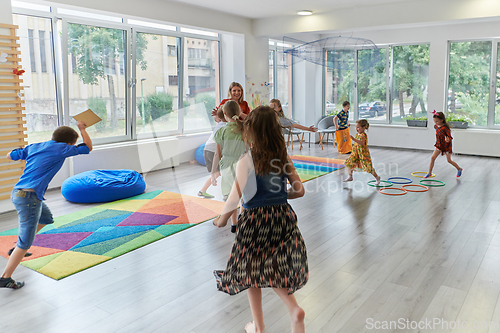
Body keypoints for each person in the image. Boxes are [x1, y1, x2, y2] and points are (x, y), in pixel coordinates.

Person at [213, 105, 308, 333]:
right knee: (274, 267)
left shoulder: (247, 159)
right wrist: (281, 196)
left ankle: (259, 326)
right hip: (282, 217)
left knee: (249, 270)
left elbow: (234, 197)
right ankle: (293, 308)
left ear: (251, 131)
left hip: (255, 220)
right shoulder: (283, 157)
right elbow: (299, 190)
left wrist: (222, 220)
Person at [0, 121, 92, 289]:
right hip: (29, 197)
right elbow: (87, 148)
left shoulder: (36, 146)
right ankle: (5, 277)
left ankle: (17, 249)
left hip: (19, 193)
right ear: (69, 143)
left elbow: (9, 155)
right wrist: (83, 129)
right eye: (72, 144)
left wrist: (21, 151)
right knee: (25, 242)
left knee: (46, 217)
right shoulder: (61, 149)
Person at [212, 100, 246, 233]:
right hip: (243, 164)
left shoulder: (221, 130)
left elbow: (217, 154)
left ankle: (234, 224)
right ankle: (243, 221)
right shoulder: (244, 128)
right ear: (239, 113)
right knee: (243, 195)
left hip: (226, 165)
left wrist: (213, 170)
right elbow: (249, 148)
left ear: (224, 114)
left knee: (231, 196)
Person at [198, 108, 227, 198]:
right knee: (221, 173)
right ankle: (226, 194)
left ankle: (202, 190)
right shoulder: (226, 126)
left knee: (218, 173)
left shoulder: (220, 124)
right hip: (213, 151)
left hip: (207, 149)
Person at [424, 111, 462, 178]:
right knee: (432, 158)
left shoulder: (445, 128)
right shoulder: (436, 126)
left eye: (437, 121)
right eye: (434, 121)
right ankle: (429, 173)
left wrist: (447, 140)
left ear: (442, 120)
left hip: (446, 146)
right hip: (439, 145)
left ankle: (459, 169)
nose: (435, 123)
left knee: (449, 160)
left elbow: (449, 137)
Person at [344, 119, 380, 184]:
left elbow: (362, 143)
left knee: (367, 167)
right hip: (356, 152)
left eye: (358, 127)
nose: (356, 129)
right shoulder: (357, 134)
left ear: (363, 128)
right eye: (356, 127)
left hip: (363, 153)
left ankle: (377, 177)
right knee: (350, 162)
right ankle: (350, 176)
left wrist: (354, 139)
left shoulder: (363, 135)